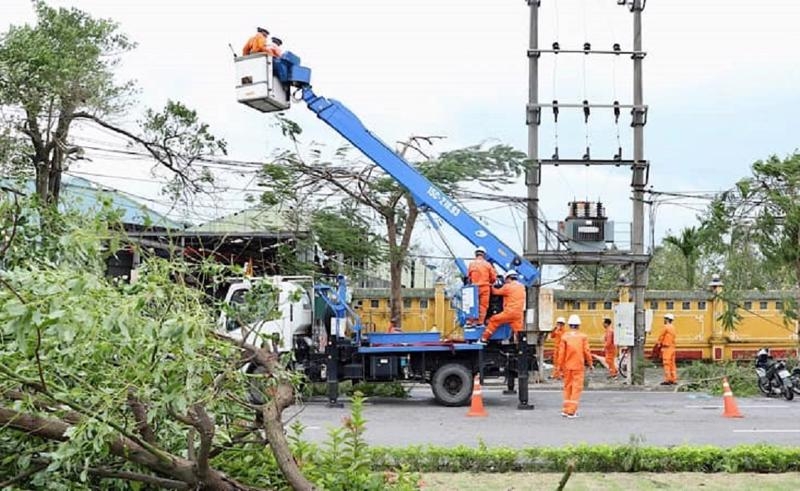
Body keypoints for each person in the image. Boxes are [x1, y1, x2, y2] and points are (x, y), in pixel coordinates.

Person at [557, 314, 593, 418]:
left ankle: (565, 409)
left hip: (567, 366)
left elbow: (561, 353)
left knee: (567, 387)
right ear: (579, 325)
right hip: (578, 366)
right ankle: (571, 411)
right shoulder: (583, 337)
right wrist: (590, 363)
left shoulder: (565, 337)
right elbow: (586, 351)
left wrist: (559, 367)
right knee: (576, 388)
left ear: (569, 325)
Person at [478, 270, 524, 343]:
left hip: (509, 313)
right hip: (519, 314)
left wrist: (490, 286)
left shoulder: (508, 287)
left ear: (508, 278)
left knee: (494, 320)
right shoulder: (522, 287)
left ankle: (483, 339)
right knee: (519, 332)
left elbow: (495, 292)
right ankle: (522, 347)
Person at [467, 246, 497, 325]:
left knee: (472, 305)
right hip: (485, 287)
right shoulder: (487, 265)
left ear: (476, 254)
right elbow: (493, 278)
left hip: (474, 288)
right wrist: (490, 282)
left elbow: (469, 277)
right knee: (483, 306)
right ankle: (480, 322)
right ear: (484, 255)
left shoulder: (471, 264)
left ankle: (471, 321)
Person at [655, 313, 678, 385]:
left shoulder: (666, 327)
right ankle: (673, 379)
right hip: (672, 348)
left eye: (665, 319)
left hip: (666, 348)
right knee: (672, 364)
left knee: (666, 364)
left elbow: (661, 337)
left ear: (667, 319)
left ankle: (668, 380)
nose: (664, 320)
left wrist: (658, 344)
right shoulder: (673, 327)